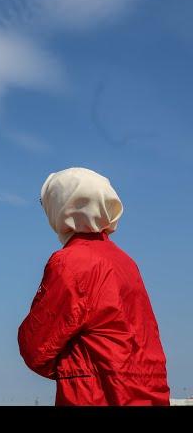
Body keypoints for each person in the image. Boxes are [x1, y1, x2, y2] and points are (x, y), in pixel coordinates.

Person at [18, 167, 170, 406]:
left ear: (61, 205)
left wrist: (69, 363)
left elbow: (36, 347)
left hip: (97, 395)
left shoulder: (69, 262)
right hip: (146, 394)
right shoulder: (126, 262)